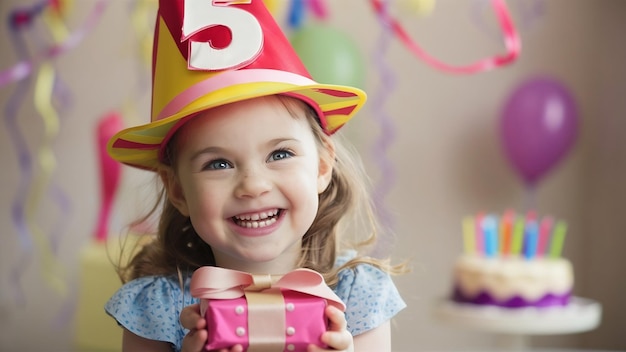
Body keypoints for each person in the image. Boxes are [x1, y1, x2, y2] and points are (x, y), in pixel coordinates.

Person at [105, 1, 406, 351]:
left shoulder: (358, 295)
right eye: (218, 164)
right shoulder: (156, 307)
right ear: (178, 190)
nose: (253, 186)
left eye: (280, 154)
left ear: (323, 165)